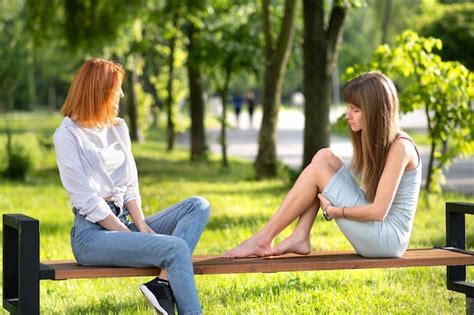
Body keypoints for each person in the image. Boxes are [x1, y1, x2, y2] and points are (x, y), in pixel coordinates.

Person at [54, 58, 210, 315]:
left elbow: (129, 184)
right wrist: (130, 235)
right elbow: (86, 200)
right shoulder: (67, 135)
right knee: (176, 248)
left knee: (197, 206)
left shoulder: (118, 127)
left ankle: (162, 284)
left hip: (125, 223)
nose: (123, 94)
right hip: (93, 237)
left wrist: (140, 225)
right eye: (118, 89)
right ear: (100, 91)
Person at [224, 71, 421, 259]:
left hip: (387, 240)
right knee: (324, 156)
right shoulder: (378, 142)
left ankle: (262, 240)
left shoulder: (400, 147)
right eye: (348, 107)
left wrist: (335, 211)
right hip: (377, 231)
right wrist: (337, 192)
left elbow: (378, 212)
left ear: (375, 112)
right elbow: (370, 196)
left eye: (356, 109)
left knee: (319, 172)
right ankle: (301, 235)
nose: (348, 115)